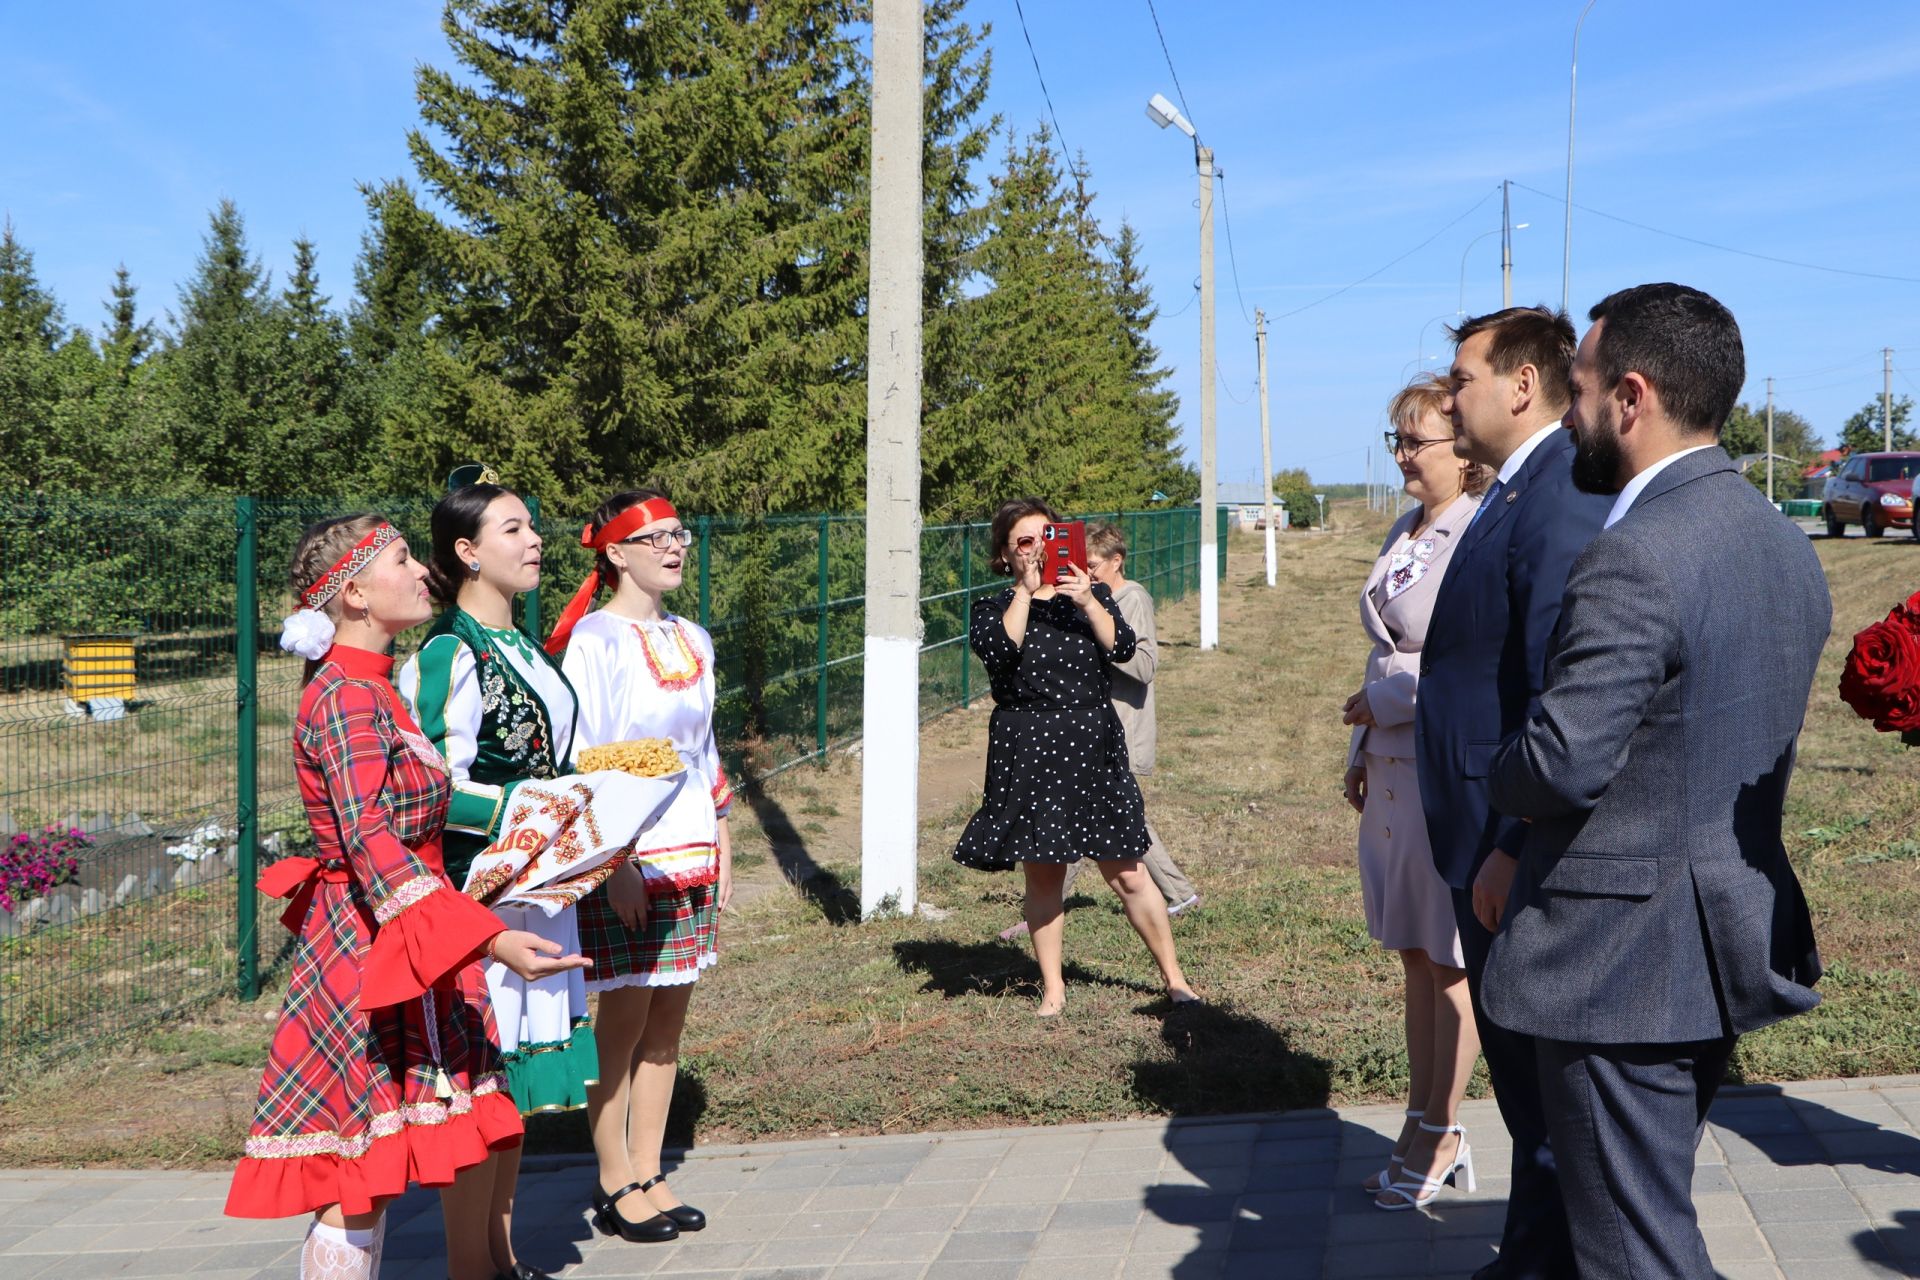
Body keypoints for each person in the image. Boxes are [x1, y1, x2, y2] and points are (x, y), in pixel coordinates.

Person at [1487, 284, 1827, 1279]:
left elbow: (1563, 758)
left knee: (1636, 1251)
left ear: (1630, 397)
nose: (1569, 413)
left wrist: (1493, 767)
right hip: (1717, 938)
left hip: (1619, 962)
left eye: (1579, 388)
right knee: (1647, 1216)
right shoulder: (1778, 538)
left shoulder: (1635, 553)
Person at [226, 515, 589, 1280]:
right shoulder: (345, 699)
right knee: (357, 1172)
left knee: (389, 1161)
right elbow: (370, 844)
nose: (422, 570)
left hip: (411, 937)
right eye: (400, 559)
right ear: (354, 594)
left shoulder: (373, 685)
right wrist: (486, 939)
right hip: (368, 952)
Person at [1414, 306, 1609, 1280]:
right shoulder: (1510, 490)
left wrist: (1508, 840)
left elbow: (1548, 682)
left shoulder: (1558, 489)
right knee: (1523, 1082)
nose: (1450, 394)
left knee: (1542, 1088)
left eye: (1462, 376)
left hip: (1509, 839)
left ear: (1522, 384)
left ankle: (1552, 1262)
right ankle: (1531, 1255)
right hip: (1478, 825)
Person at [396, 470, 592, 1280]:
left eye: (532, 524)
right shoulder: (451, 650)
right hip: (485, 896)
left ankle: (500, 1258)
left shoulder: (521, 645)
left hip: (541, 887)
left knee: (509, 1091)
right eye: (513, 528)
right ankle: (470, 1266)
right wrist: (540, 808)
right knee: (481, 1085)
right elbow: (438, 786)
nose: (534, 539)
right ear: (466, 551)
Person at [549, 489, 735, 1245]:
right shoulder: (595, 640)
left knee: (668, 1021)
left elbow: (705, 746)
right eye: (655, 538)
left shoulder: (693, 634)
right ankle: (613, 1176)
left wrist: (724, 833)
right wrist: (615, 863)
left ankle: (651, 1171)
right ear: (615, 553)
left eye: (679, 534)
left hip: (692, 846)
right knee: (621, 1020)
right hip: (632, 854)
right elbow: (583, 758)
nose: (674, 547)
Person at [954, 497, 1198, 1017]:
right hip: (1029, 748)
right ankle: (1053, 990)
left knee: (1128, 871)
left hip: (1092, 743)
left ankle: (1176, 981)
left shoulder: (1089, 599)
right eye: (1024, 541)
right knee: (1043, 875)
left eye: (1046, 535)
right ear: (1004, 554)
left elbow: (1124, 650)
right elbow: (1001, 652)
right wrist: (1025, 588)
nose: (1038, 548)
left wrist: (1088, 600)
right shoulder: (991, 607)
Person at [1342, 375, 1492, 1210]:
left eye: (1416, 441)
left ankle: (1442, 1131)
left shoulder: (1477, 531)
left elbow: (1468, 662)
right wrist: (1366, 742)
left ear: (1462, 453)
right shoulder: (1411, 526)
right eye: (1397, 440)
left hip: (1442, 765)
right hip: (1395, 765)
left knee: (1449, 962)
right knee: (1413, 955)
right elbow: (1385, 649)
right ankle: (1417, 1123)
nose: (1402, 454)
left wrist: (1388, 702)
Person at [1000, 522, 1201, 940]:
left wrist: (1100, 640)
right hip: (1090, 732)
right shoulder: (1089, 597)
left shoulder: (1133, 599)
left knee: (1122, 822)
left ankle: (1177, 894)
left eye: (1092, 566)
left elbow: (1144, 665)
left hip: (1121, 729)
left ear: (1116, 561)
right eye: (1081, 565)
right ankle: (1045, 906)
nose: (1086, 574)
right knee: (1087, 818)